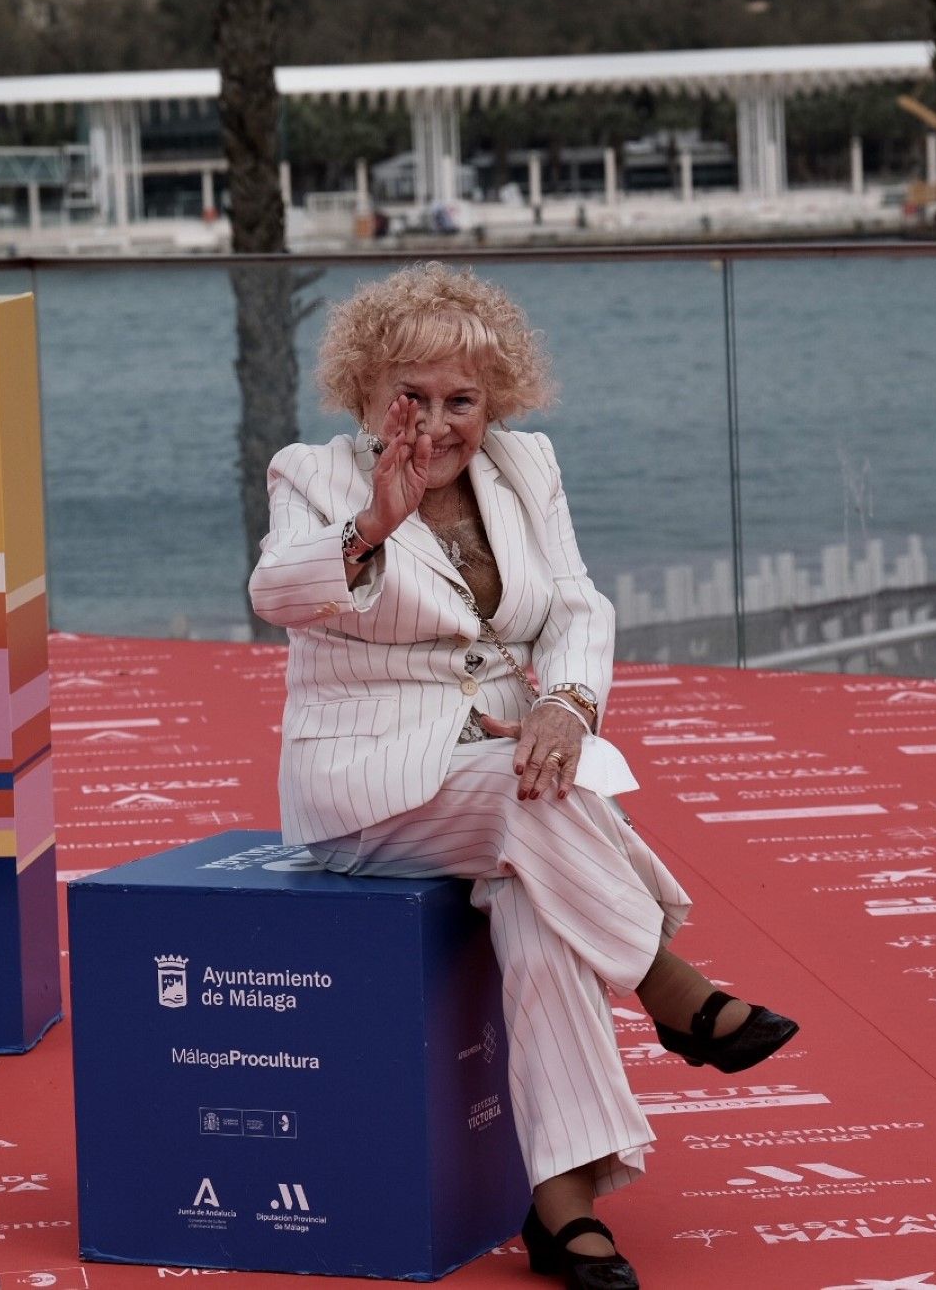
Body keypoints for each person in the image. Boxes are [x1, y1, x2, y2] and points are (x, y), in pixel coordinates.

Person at [248, 262, 797, 1290]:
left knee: (534, 893)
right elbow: (275, 591)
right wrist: (372, 521)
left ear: (496, 400)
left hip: (505, 771)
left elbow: (579, 608)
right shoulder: (312, 476)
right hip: (363, 789)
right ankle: (668, 986)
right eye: (414, 395)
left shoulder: (524, 466)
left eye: (464, 398)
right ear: (366, 391)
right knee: (529, 793)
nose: (442, 420)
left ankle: (563, 1209)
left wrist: (566, 703)